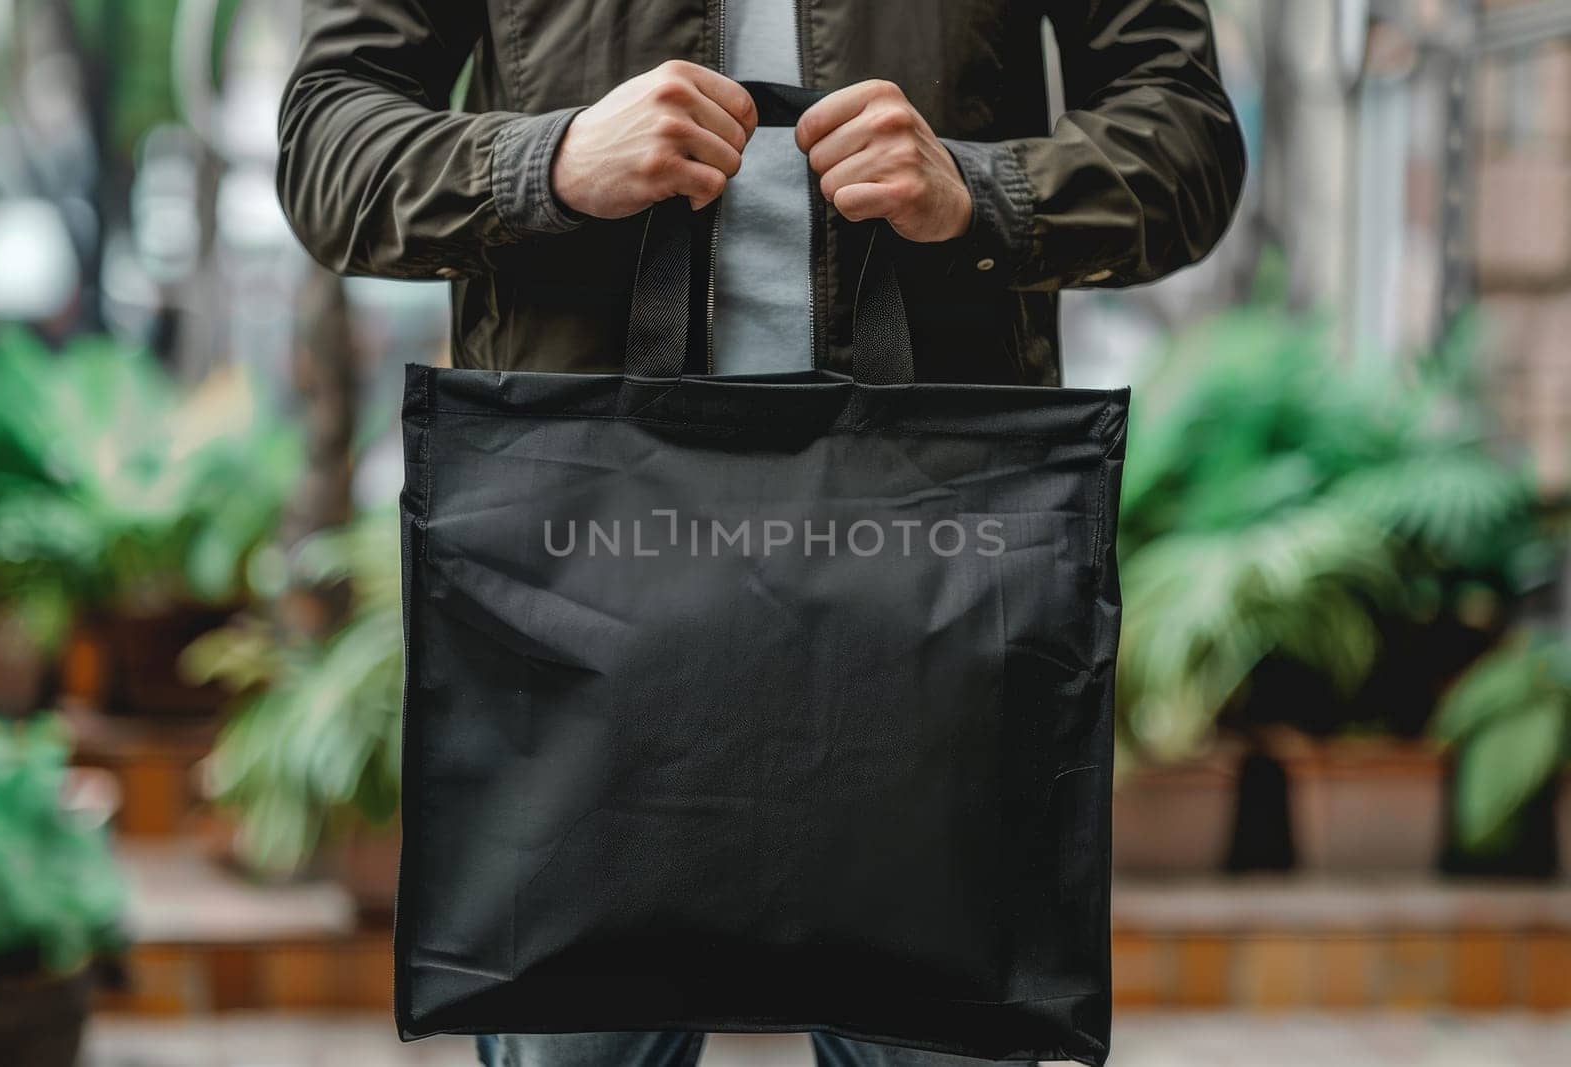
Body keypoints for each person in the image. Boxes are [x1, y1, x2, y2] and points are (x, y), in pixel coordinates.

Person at [277, 1, 1244, 1063]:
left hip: (933, 565)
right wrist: (540, 164)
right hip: (582, 576)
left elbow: (1189, 139)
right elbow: (326, 140)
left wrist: (990, 190)